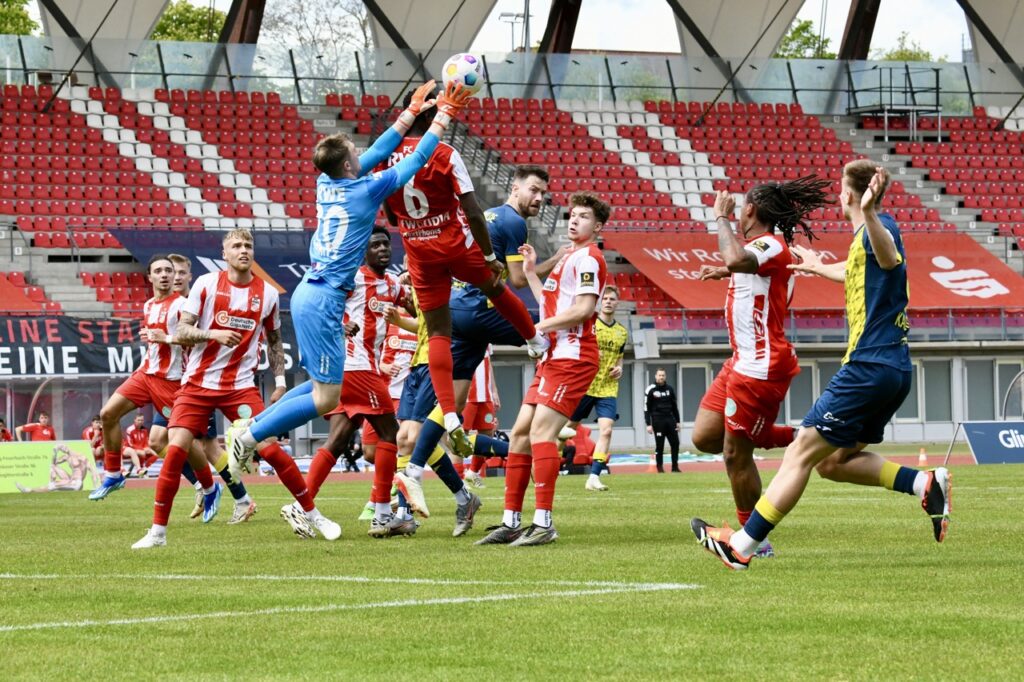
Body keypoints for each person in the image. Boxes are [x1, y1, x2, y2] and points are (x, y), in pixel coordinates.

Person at [691, 162, 952, 571]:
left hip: (867, 366)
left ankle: (743, 546)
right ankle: (924, 482)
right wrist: (816, 267)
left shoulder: (876, 229)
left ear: (851, 195)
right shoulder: (864, 239)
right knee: (832, 462)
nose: (839, 196)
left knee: (800, 454)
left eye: (842, 190)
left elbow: (889, 260)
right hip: (891, 369)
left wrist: (868, 213)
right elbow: (859, 272)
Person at [225, 80, 474, 471]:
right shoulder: (365, 193)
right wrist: (445, 114)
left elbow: (377, 151)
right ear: (347, 166)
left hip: (311, 291)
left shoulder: (327, 182)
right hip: (325, 299)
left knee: (322, 385)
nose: (362, 154)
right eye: (354, 154)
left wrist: (410, 111)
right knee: (326, 399)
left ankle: (253, 426)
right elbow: (416, 159)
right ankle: (250, 437)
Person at [132, 229, 341, 549]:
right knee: (175, 449)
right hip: (197, 384)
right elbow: (184, 331)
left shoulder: (268, 294)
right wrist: (212, 335)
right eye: (236, 246)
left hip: (239, 388)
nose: (243, 250)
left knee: (270, 449)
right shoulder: (205, 285)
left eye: (248, 245)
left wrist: (281, 382)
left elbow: (274, 341)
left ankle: (312, 514)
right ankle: (157, 532)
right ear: (224, 253)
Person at [380, 94, 548, 459]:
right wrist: (489, 256)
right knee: (496, 284)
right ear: (436, 118)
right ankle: (537, 342)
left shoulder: (385, 158)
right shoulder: (445, 153)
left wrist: (413, 225)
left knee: (439, 332)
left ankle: (451, 418)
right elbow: (472, 210)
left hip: (418, 253)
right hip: (454, 247)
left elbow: (390, 216)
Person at [395, 165, 563, 517]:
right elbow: (518, 280)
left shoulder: (491, 215)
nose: (539, 199)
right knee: (555, 336)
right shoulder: (513, 221)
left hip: (459, 314)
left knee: (448, 406)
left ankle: (412, 472)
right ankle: (559, 421)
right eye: (533, 190)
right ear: (514, 189)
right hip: (480, 308)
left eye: (543, 194)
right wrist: (555, 260)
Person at [691, 177, 831, 558]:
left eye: (739, 208)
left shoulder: (771, 243)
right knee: (705, 437)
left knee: (736, 454)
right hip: (741, 360)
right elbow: (744, 266)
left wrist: (720, 218)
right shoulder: (761, 250)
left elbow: (739, 259)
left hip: (760, 366)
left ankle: (754, 540)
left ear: (749, 210)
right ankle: (806, 436)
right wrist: (726, 271)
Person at [475, 191, 609, 547]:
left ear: (597, 226)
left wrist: (538, 330)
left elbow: (582, 311)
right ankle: (511, 521)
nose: (575, 221)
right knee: (519, 433)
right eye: (572, 215)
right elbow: (551, 306)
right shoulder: (570, 258)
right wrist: (533, 275)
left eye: (583, 216)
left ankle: (544, 522)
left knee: (540, 434)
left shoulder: (589, 260)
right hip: (555, 357)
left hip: (574, 358)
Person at [297, 227, 443, 539]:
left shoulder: (392, 284)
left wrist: (404, 301)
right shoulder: (352, 279)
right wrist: (340, 325)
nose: (381, 249)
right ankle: (381, 513)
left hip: (357, 370)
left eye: (385, 244)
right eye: (374, 245)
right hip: (356, 366)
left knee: (338, 438)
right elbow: (319, 307)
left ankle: (302, 504)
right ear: (363, 251)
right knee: (391, 435)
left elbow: (420, 311)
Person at [153, 252, 258, 524]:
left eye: (178, 272)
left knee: (207, 445)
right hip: (171, 383)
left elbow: (197, 339)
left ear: (189, 275)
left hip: (200, 381)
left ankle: (239, 496)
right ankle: (204, 486)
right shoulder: (162, 303)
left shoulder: (195, 303)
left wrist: (167, 338)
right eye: (168, 272)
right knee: (157, 440)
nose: (172, 277)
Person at [89, 255, 185, 500]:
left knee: (191, 444)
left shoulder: (182, 305)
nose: (164, 274)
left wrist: (167, 338)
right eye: (158, 271)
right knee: (108, 414)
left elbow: (193, 339)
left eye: (168, 270)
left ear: (174, 276)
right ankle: (113, 473)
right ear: (149, 277)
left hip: (171, 380)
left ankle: (209, 487)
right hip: (145, 373)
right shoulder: (148, 305)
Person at [567, 285, 628, 491]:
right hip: (585, 384)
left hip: (607, 388)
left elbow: (620, 358)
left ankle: (593, 477)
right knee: (566, 430)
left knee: (607, 430)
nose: (609, 302)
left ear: (617, 303)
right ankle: (544, 468)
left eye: (612, 299)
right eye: (606, 299)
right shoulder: (590, 324)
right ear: (600, 302)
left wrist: (619, 369)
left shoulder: (621, 332)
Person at [462, 347, 499, 488]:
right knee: (459, 436)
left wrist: (494, 391)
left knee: (487, 435)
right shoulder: (459, 331)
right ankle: (459, 479)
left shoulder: (487, 334)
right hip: (466, 396)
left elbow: (488, 363)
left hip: (486, 397)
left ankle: (472, 472)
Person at [15, 445, 100, 493]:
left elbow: (92, 470)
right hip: (70, 480)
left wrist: (95, 486)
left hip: (77, 483)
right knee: (52, 466)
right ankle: (51, 482)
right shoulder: (66, 457)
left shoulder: (81, 457)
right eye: (61, 448)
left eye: (63, 447)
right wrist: (55, 453)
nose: (62, 449)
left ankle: (30, 490)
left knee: (53, 486)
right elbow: (53, 463)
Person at [644, 369, 680, 472]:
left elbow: (674, 407)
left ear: (665, 376)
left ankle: (675, 467)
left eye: (663, 375)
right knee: (660, 445)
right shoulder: (650, 389)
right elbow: (646, 408)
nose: (661, 377)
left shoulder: (670, 389)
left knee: (675, 443)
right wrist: (648, 424)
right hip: (657, 420)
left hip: (670, 419)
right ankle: (660, 468)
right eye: (659, 375)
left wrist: (677, 421)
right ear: (656, 376)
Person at [123, 413, 159, 477]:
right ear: (135, 420)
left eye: (142, 420)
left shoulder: (144, 430)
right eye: (138, 420)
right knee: (141, 453)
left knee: (155, 454)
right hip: (130, 449)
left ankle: (145, 468)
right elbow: (130, 444)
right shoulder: (130, 429)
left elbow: (146, 442)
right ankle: (140, 470)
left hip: (142, 449)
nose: (140, 422)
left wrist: (147, 448)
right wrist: (141, 449)